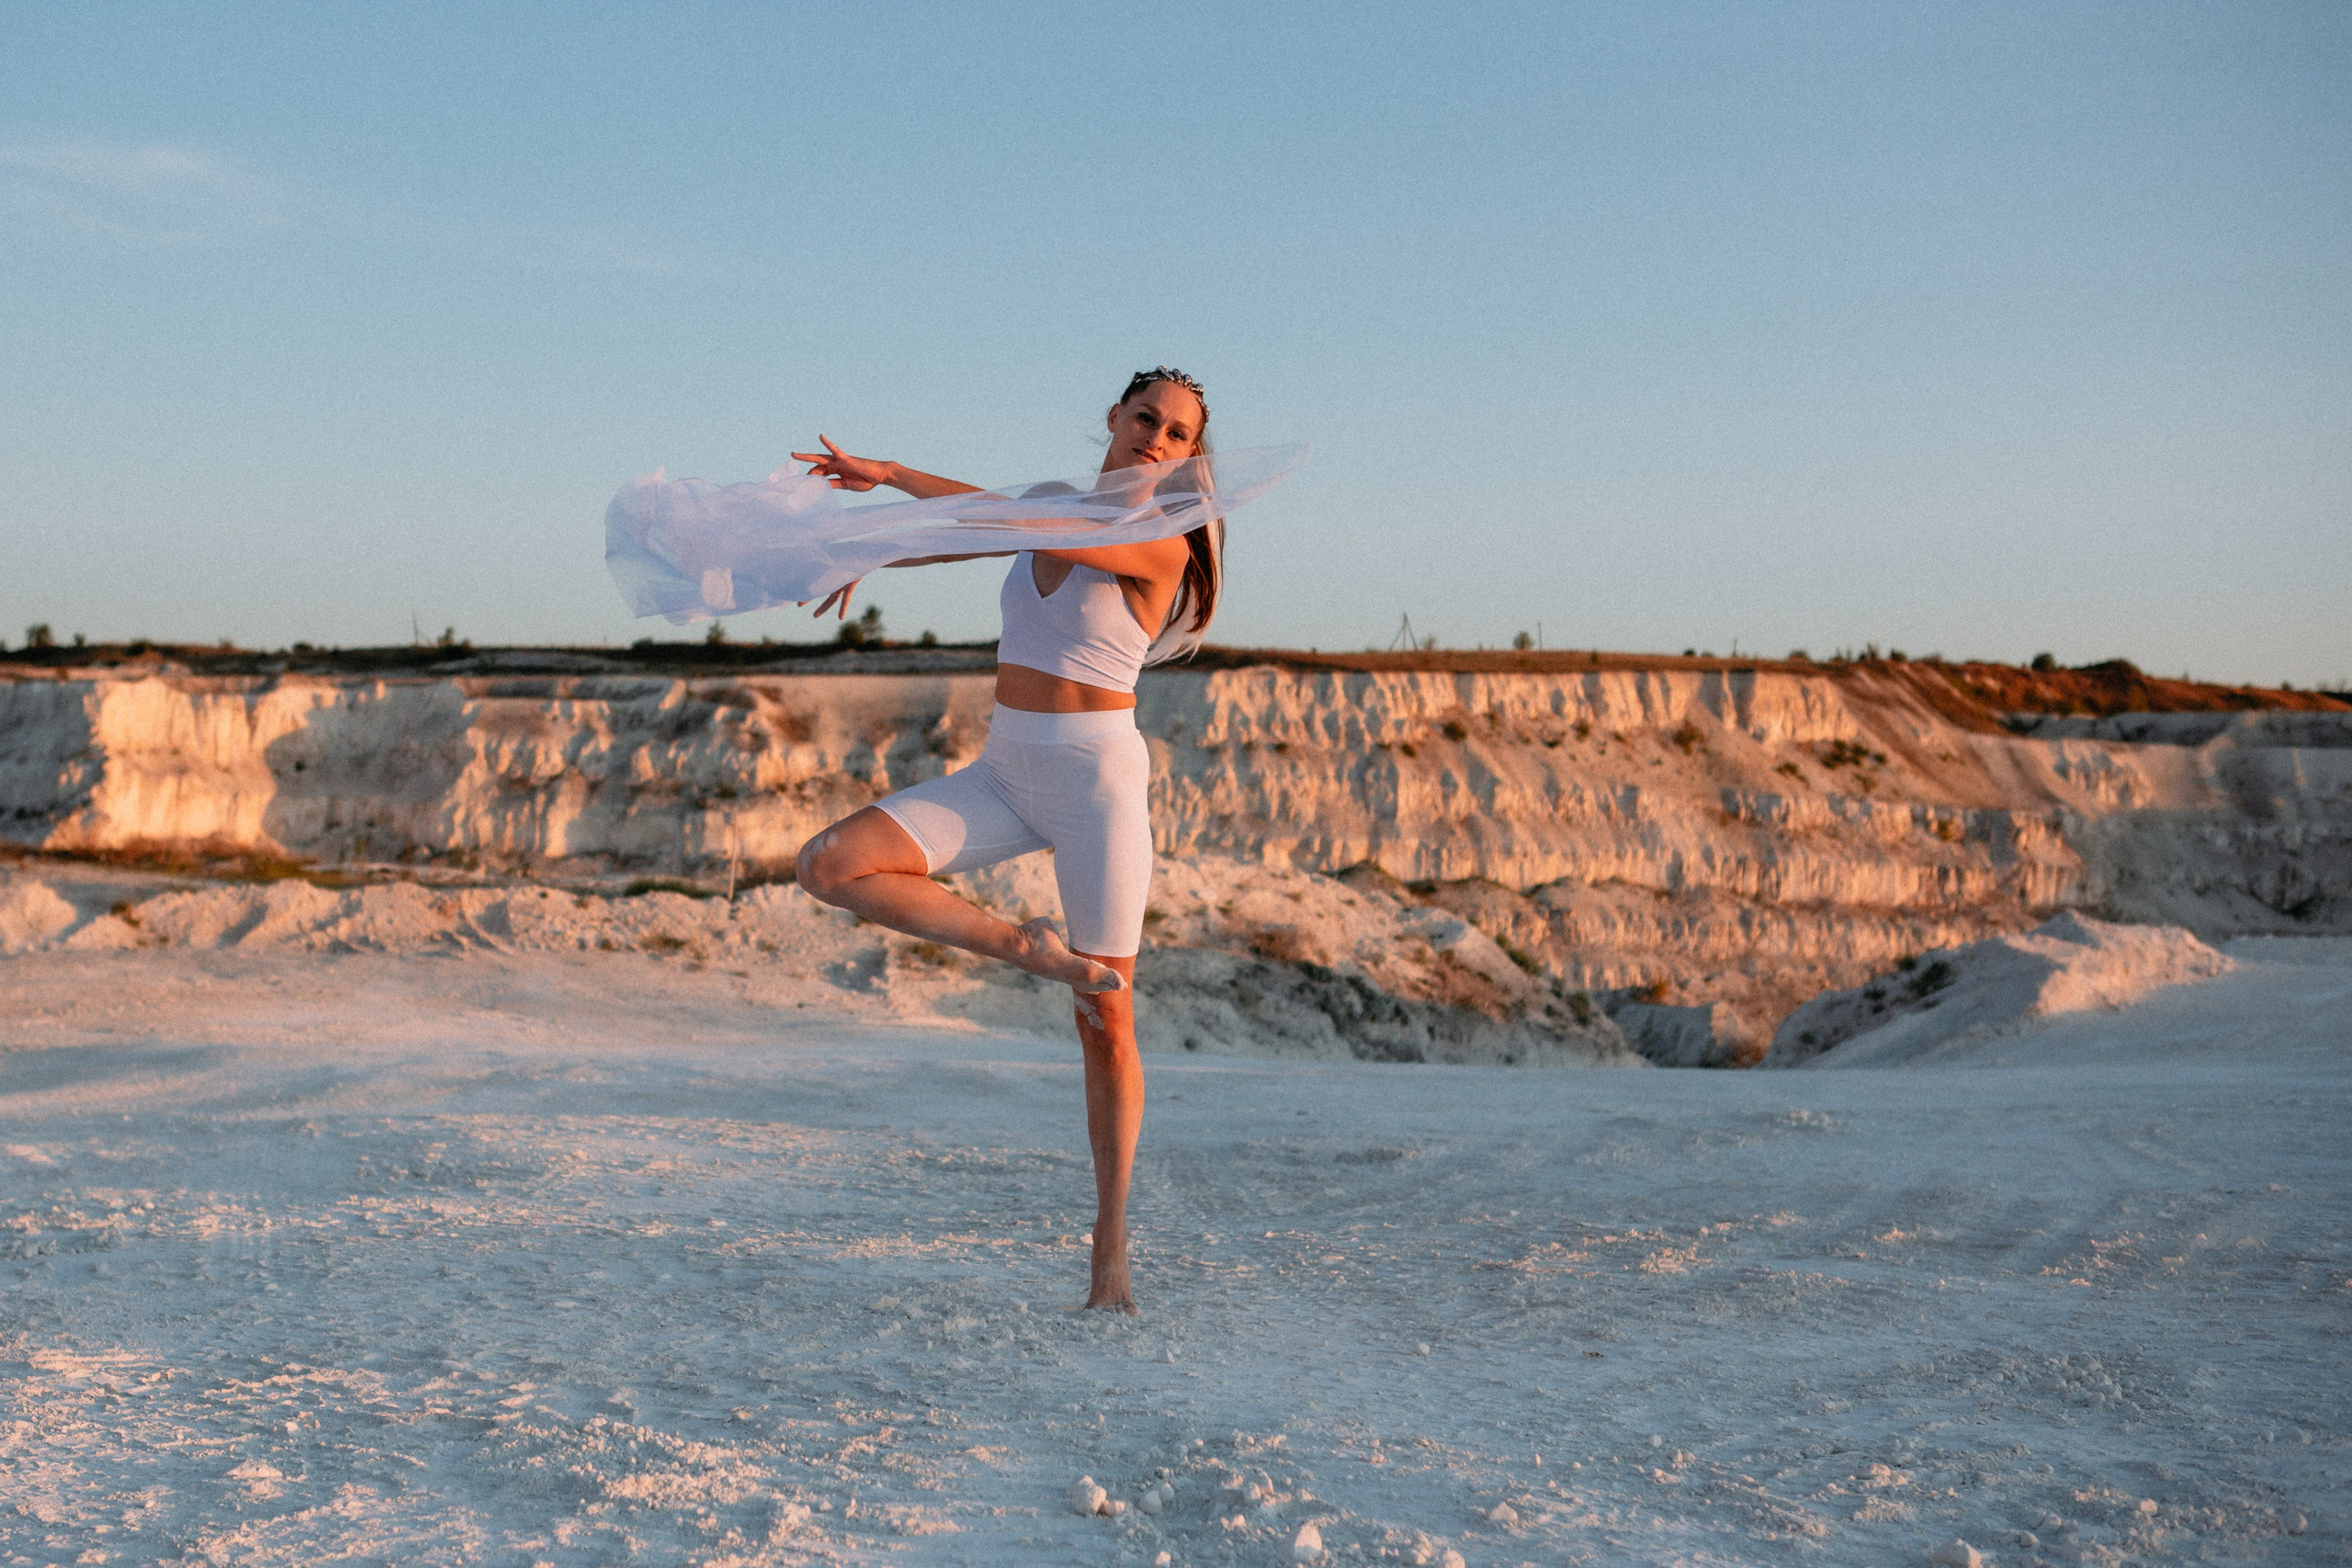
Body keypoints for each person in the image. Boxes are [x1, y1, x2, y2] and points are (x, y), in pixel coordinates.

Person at [789, 367, 1220, 1314]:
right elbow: (983, 530)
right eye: (1144, 417)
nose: (1155, 438)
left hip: (1095, 784)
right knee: (829, 863)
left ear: (1189, 453)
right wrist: (868, 552)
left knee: (1107, 1021)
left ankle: (1110, 1252)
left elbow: (1001, 524)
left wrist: (898, 489)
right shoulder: (1051, 506)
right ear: (1112, 417)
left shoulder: (1157, 543)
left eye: (1176, 433)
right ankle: (1022, 947)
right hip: (1004, 771)